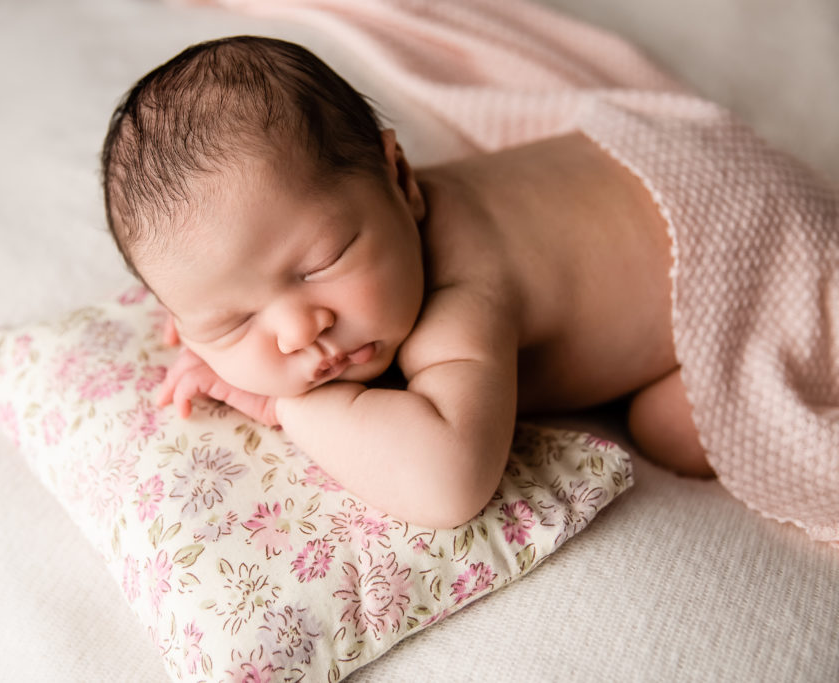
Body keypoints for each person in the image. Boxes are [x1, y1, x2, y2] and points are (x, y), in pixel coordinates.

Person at [99, 35, 818, 530]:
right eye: (231, 319)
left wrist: (289, 407)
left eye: (322, 263)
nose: (297, 331)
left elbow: (447, 483)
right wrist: (215, 336)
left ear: (401, 179)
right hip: (667, 156)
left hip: (754, 253)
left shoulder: (461, 298)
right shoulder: (359, 234)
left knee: (675, 430)